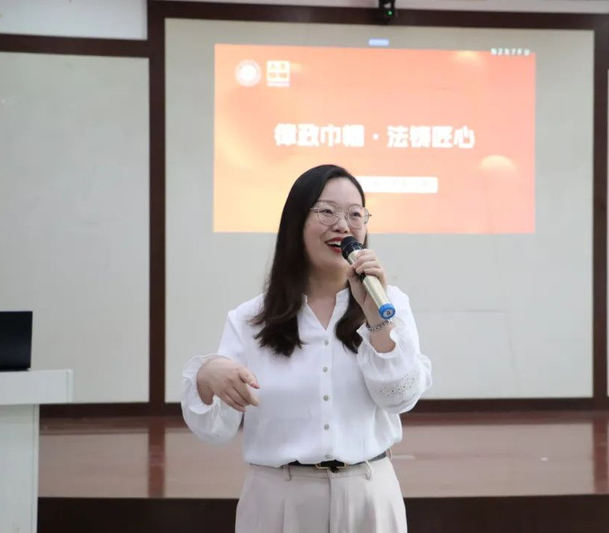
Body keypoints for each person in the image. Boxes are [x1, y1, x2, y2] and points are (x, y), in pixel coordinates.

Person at [181, 164, 433, 532]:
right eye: (327, 211)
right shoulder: (251, 319)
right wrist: (207, 378)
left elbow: (400, 398)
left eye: (355, 214)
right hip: (279, 501)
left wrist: (376, 319)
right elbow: (215, 430)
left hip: (368, 497)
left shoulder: (389, 304)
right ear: (296, 222)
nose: (343, 226)